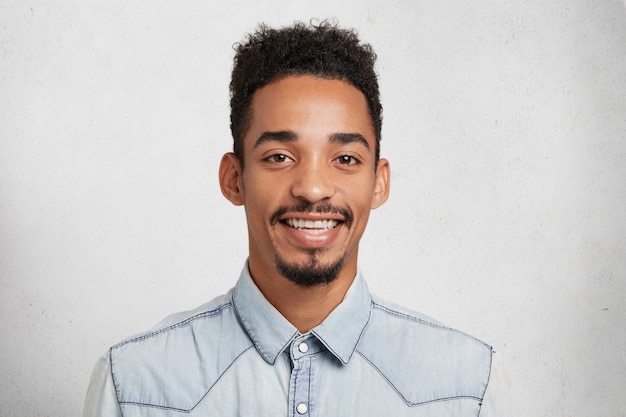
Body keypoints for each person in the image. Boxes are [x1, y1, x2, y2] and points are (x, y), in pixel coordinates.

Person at [84, 21, 505, 416]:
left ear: (378, 183)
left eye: (345, 158)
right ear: (234, 179)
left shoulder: (466, 386)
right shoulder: (135, 386)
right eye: (280, 157)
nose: (313, 187)